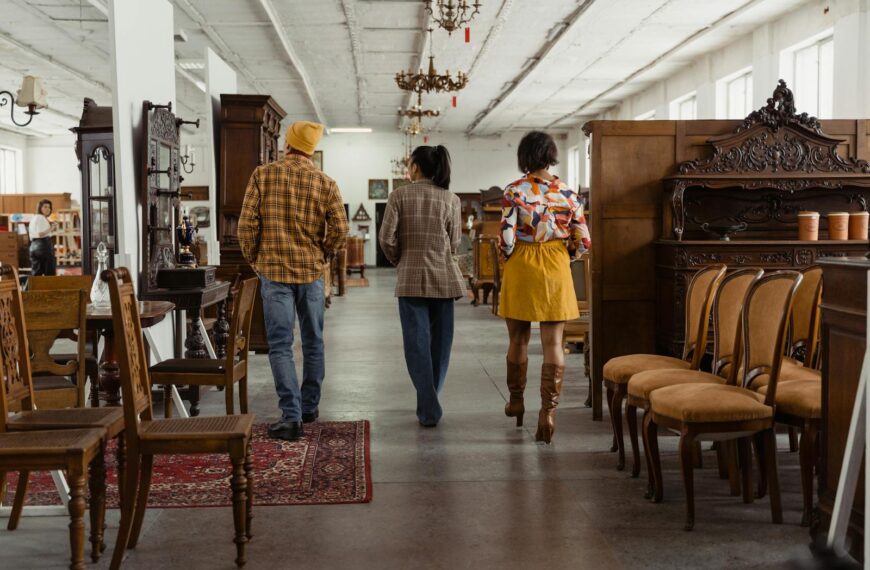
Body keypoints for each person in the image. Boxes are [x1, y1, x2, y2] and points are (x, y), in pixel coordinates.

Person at [238, 121, 349, 441]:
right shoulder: (325, 182)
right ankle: (310, 406)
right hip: (311, 274)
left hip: (274, 274)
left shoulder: (263, 175)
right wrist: (322, 255)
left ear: (287, 144)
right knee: (313, 342)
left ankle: (291, 416)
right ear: (311, 149)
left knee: (281, 346)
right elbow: (340, 232)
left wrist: (258, 261)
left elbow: (246, 228)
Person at [498, 131, 590, 444]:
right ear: (551, 154)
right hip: (555, 264)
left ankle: (516, 401)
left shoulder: (514, 190)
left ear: (524, 157)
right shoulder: (568, 192)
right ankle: (548, 413)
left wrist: (510, 255)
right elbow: (584, 241)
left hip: (523, 264)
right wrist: (566, 255)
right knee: (553, 343)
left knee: (518, 340)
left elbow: (506, 238)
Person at [378, 145, 465, 427]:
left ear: (415, 167)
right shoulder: (451, 199)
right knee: (441, 346)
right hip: (444, 278)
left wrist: (400, 260)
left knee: (416, 345)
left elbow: (386, 238)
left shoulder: (398, 196)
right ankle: (430, 401)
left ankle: (428, 404)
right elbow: (454, 242)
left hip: (411, 279)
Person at [29, 199, 57, 276]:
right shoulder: (40, 217)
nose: (48, 209)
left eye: (49, 207)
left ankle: (31, 288)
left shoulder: (35, 217)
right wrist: (51, 228)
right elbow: (40, 234)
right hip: (43, 246)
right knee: (49, 273)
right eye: (45, 207)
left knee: (36, 273)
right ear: (40, 208)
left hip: (34, 246)